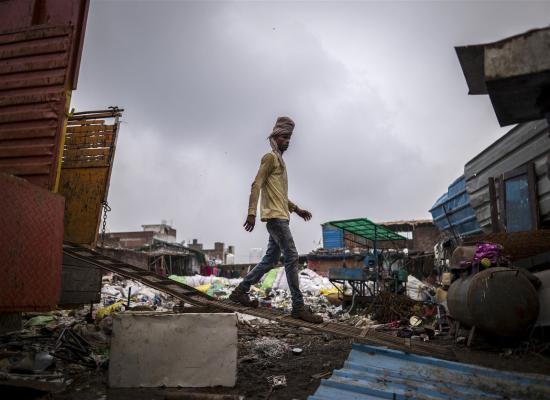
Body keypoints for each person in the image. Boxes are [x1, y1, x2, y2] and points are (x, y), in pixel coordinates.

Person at [228, 116, 323, 324]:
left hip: (282, 217)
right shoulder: (269, 158)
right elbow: (256, 184)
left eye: (289, 138)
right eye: (284, 137)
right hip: (276, 219)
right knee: (292, 256)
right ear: (275, 137)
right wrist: (251, 212)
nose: (287, 141)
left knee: (270, 260)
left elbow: (279, 195)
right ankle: (298, 307)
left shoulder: (280, 162)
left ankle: (240, 291)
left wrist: (296, 209)